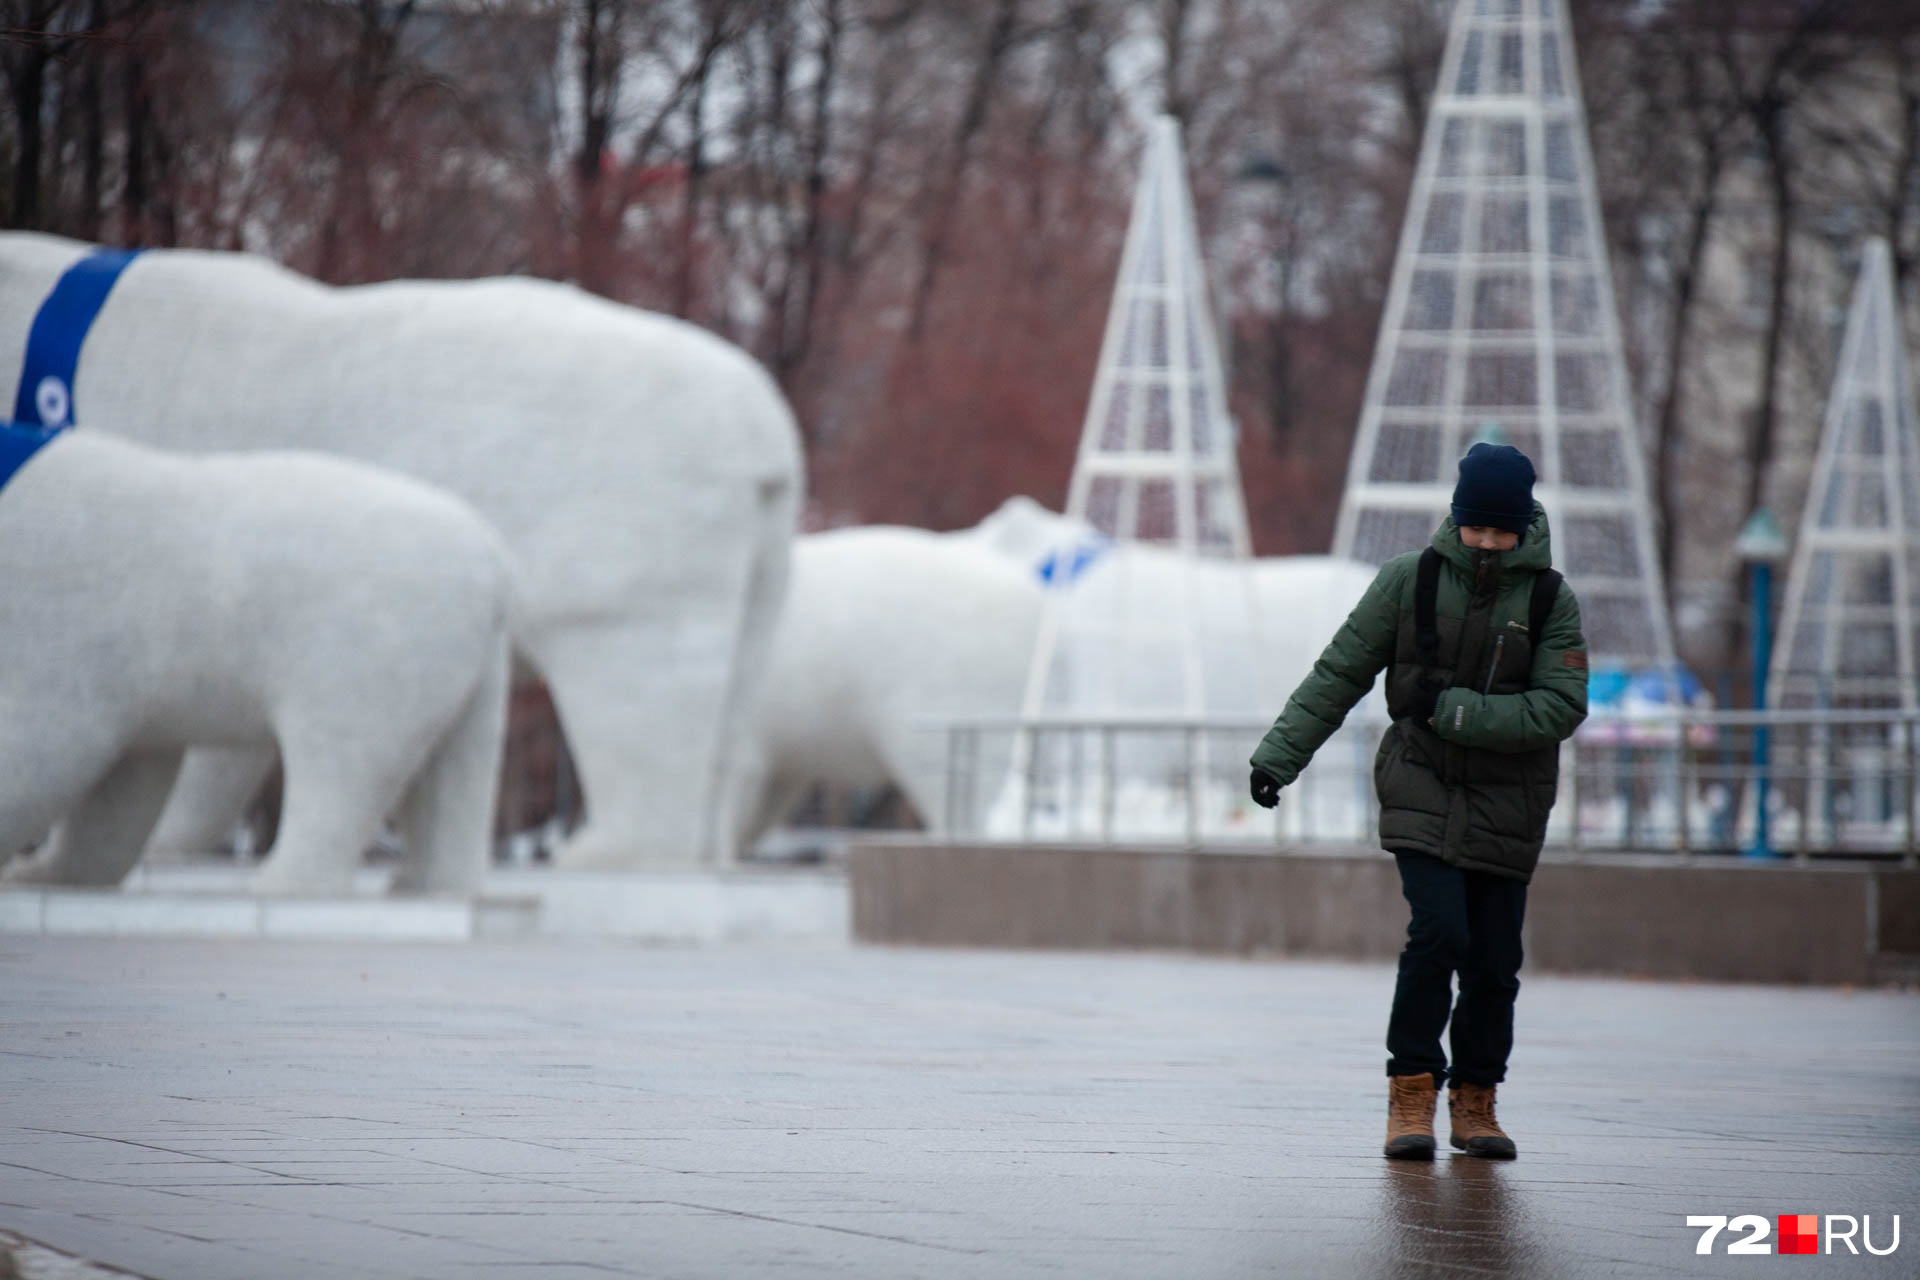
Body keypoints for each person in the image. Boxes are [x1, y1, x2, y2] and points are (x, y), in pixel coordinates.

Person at [1248, 443, 1588, 1160]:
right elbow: (1339, 673)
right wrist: (1279, 757)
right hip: (1420, 784)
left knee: (1495, 960)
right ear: (1457, 519)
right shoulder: (1410, 581)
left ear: (1523, 525)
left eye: (1501, 531)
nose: (1488, 543)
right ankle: (1410, 1090)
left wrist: (1458, 711)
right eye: (1477, 529)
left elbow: (1561, 706)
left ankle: (1476, 1101)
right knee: (1439, 934)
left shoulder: (1551, 599)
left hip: (1510, 802)